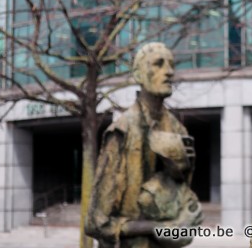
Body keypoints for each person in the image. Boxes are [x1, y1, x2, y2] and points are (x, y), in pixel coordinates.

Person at [86, 42, 202, 248]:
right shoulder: (122, 131)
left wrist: (187, 218)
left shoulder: (178, 131)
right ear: (138, 75)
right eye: (158, 64)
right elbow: (96, 222)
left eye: (171, 65)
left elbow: (184, 196)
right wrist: (154, 227)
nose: (169, 72)